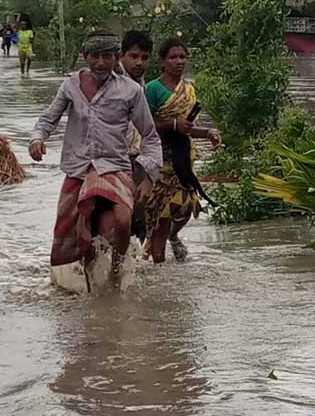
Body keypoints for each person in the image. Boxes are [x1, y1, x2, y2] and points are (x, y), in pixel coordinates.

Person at [29, 30, 162, 290]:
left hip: (114, 166)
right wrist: (37, 138)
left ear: (116, 58)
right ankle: (86, 282)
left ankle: (116, 268)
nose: (101, 62)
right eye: (95, 56)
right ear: (85, 56)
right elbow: (48, 118)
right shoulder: (70, 85)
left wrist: (148, 176)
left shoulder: (131, 90)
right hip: (78, 168)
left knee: (123, 220)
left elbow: (150, 135)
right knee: (77, 234)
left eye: (107, 56)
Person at [143, 38, 221, 263]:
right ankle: (160, 272)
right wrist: (173, 125)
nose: (179, 61)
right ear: (162, 61)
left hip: (184, 158)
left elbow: (188, 128)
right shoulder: (153, 89)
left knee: (187, 206)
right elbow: (145, 124)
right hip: (161, 158)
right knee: (162, 216)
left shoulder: (188, 89)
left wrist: (208, 133)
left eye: (182, 57)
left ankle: (174, 236)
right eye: (173, 57)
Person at [118, 30, 154, 244]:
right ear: (122, 56)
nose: (139, 62)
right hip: (113, 161)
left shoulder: (141, 84)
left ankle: (136, 269)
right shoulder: (112, 81)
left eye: (144, 57)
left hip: (138, 159)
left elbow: (149, 131)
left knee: (139, 217)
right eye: (133, 56)